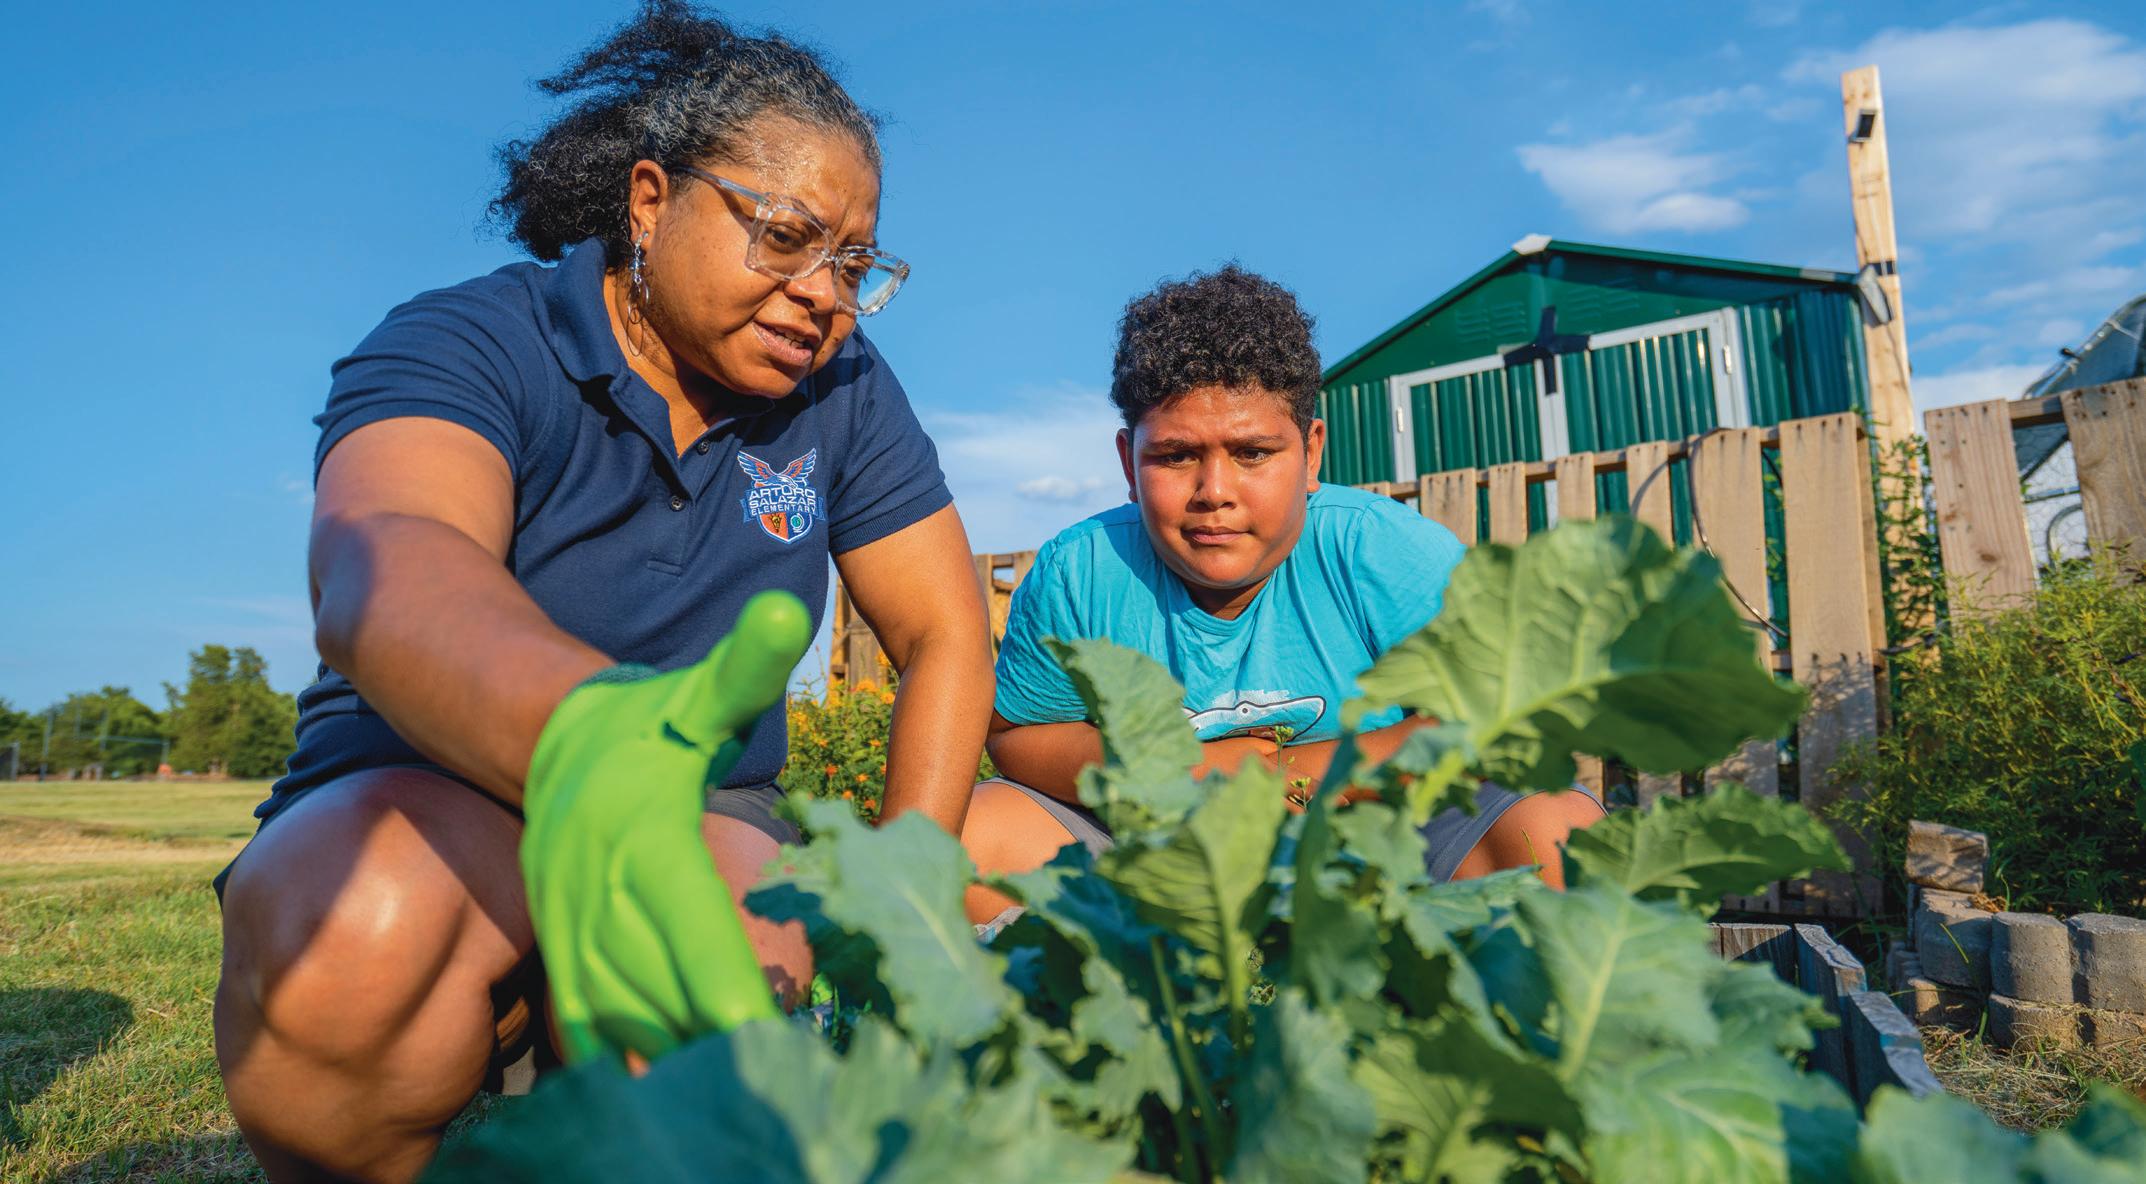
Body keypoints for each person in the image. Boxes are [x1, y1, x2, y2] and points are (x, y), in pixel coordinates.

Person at [212, 5, 994, 1180]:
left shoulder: (842, 391)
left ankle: (566, 1055)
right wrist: (596, 739)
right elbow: (392, 555)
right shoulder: (473, 338)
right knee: (360, 933)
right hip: (430, 779)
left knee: (705, 998)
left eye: (850, 264)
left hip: (707, 804)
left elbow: (942, 630)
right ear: (649, 200)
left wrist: (909, 893)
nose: (822, 295)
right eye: (786, 237)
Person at [960, 265, 1603, 924]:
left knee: (1554, 826)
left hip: (1385, 850)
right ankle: (1125, 974)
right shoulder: (1080, 573)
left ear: (1312, 451)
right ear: (1128, 462)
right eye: (1176, 457)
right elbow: (1019, 736)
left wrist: (1294, 776)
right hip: (1157, 859)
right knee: (972, 840)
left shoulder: (1382, 551)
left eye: (1253, 453)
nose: (1214, 491)